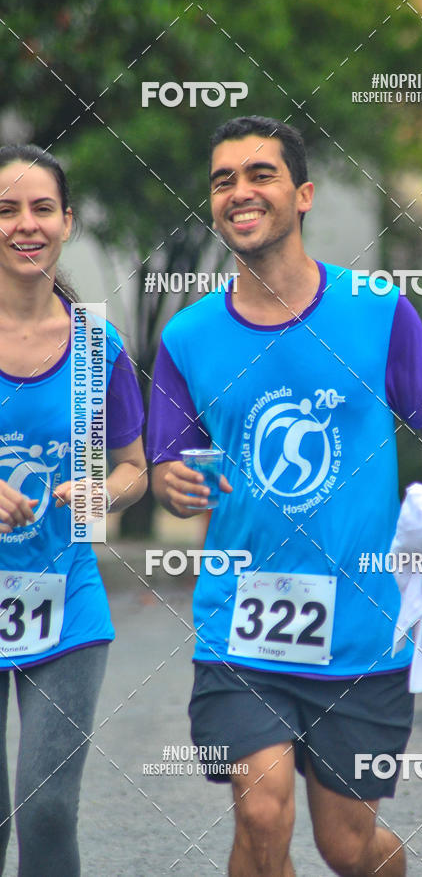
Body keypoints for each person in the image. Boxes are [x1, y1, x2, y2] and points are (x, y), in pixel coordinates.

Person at [147, 116, 422, 877]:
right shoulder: (186, 337)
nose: (239, 191)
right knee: (260, 813)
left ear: (303, 195)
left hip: (362, 626)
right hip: (241, 627)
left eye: (259, 174)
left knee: (345, 847)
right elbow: (164, 462)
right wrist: (173, 482)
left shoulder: (377, 309)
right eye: (223, 179)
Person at [0, 144, 147, 876]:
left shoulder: (98, 345)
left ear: (66, 222)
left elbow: (133, 469)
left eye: (41, 208)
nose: (24, 224)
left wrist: (105, 491)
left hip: (67, 602)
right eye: (6, 209)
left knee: (48, 810)